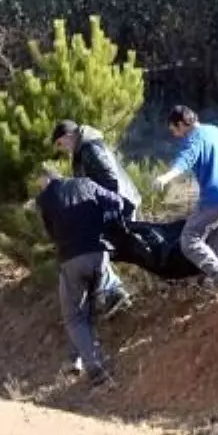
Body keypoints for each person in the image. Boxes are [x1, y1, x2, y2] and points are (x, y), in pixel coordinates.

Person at [34, 167, 124, 387]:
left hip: (72, 259)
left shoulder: (45, 198)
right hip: (100, 253)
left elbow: (50, 233)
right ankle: (75, 360)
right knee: (88, 310)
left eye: (39, 182)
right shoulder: (85, 183)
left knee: (75, 317)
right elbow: (117, 202)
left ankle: (95, 370)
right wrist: (106, 226)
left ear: (47, 178)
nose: (39, 186)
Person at [50, 119, 138, 318]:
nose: (61, 149)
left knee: (92, 244)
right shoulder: (86, 149)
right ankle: (114, 294)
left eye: (60, 144)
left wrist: (104, 210)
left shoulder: (89, 149)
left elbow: (109, 180)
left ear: (68, 136)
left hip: (118, 204)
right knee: (97, 246)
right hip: (116, 203)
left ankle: (116, 293)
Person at [151, 106, 218, 290]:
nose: (175, 135)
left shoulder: (193, 140)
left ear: (181, 124)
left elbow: (184, 161)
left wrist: (165, 177)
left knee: (189, 239)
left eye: (174, 130)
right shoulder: (215, 131)